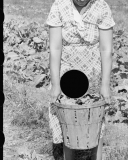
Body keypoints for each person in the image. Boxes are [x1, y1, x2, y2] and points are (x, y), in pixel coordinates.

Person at [46, 0, 115, 159]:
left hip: (93, 73)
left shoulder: (101, 7)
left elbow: (106, 49)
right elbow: (55, 48)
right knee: (67, 119)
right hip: (67, 72)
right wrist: (56, 85)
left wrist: (104, 85)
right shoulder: (60, 6)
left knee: (94, 120)